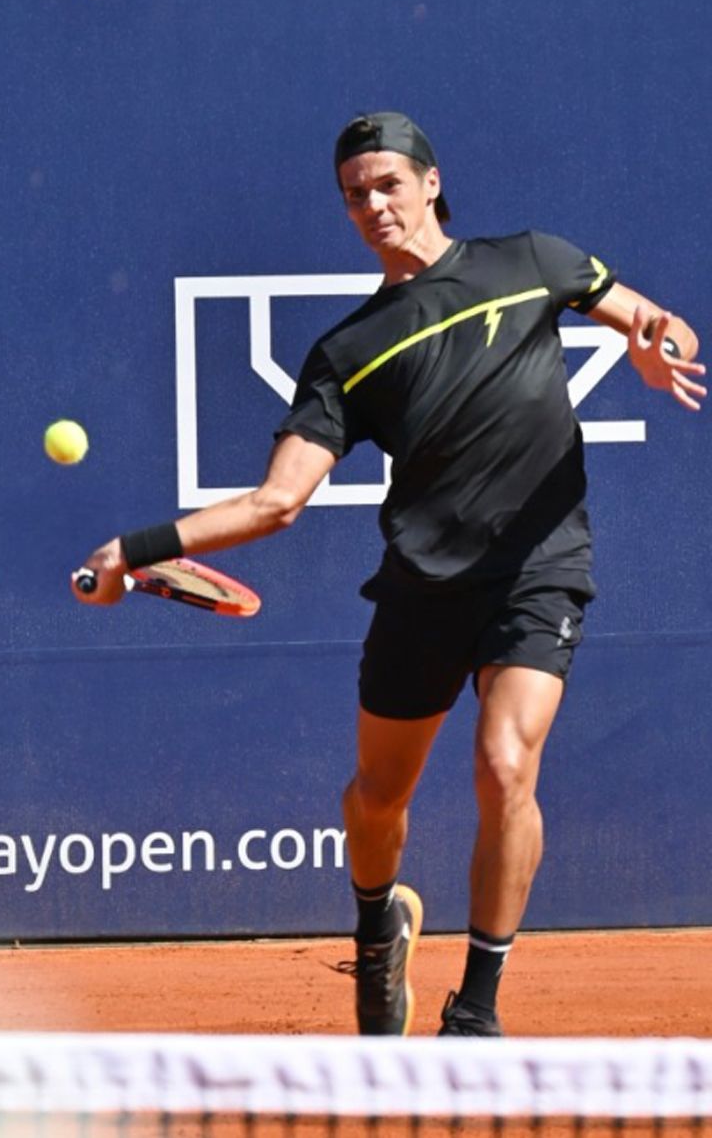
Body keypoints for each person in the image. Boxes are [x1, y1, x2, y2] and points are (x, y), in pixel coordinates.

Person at [72, 112, 704, 1037]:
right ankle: (379, 923)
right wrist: (138, 547)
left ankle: (476, 1011)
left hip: (537, 567)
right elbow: (278, 500)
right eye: (355, 195)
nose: (373, 206)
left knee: (505, 764)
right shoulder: (347, 353)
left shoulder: (530, 259)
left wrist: (661, 350)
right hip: (423, 588)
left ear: (431, 183)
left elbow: (659, 323)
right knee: (377, 799)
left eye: (387, 186)